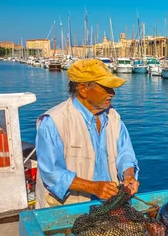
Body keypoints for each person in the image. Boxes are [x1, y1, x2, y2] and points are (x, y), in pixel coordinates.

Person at [35, 58, 140, 208]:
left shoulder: (114, 118)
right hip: (67, 210)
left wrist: (128, 175)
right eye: (106, 87)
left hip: (109, 205)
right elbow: (52, 173)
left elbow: (125, 154)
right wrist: (93, 187)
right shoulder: (54, 122)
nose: (112, 93)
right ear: (83, 89)